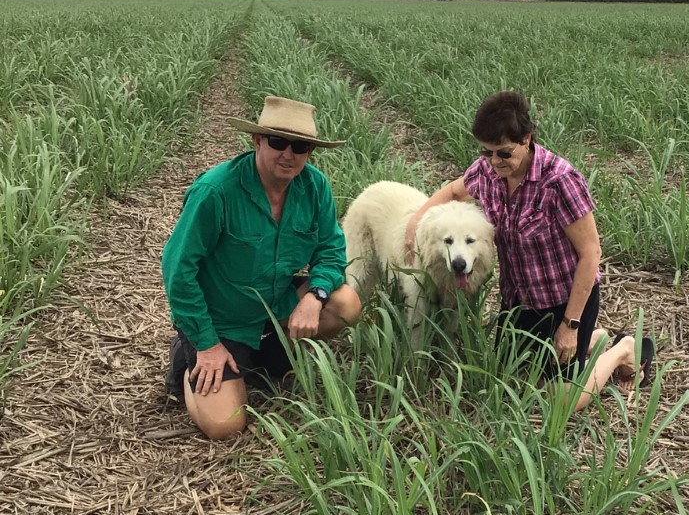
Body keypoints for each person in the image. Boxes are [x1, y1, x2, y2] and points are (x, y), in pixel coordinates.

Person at [404, 91, 652, 412]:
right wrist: (415, 222)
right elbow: (453, 189)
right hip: (520, 302)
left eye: (504, 153)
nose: (494, 162)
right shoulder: (487, 171)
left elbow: (591, 254)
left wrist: (570, 326)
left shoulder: (559, 181)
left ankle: (622, 349)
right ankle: (594, 338)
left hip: (565, 302)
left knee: (561, 400)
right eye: (487, 152)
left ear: (527, 139)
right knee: (514, 382)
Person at [161, 95, 361, 440]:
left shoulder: (315, 187)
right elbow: (177, 270)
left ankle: (262, 360)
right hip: (221, 318)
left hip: (275, 300)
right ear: (257, 140)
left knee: (345, 304)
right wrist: (207, 344)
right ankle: (189, 357)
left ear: (310, 152)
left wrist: (315, 295)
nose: (289, 154)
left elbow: (331, 250)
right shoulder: (216, 191)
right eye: (278, 142)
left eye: (300, 146)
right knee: (225, 426)